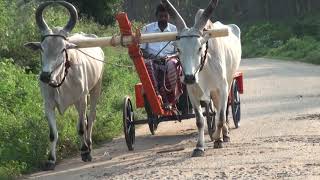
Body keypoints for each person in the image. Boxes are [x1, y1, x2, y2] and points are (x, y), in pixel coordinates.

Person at [140, 3, 182, 110]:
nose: (163, 18)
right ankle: (157, 96)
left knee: (172, 64)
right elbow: (142, 49)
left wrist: (169, 57)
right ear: (156, 16)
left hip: (170, 60)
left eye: (165, 16)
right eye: (160, 16)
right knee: (148, 64)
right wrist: (153, 57)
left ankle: (174, 100)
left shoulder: (175, 30)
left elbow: (179, 51)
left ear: (168, 16)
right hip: (153, 60)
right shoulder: (147, 29)